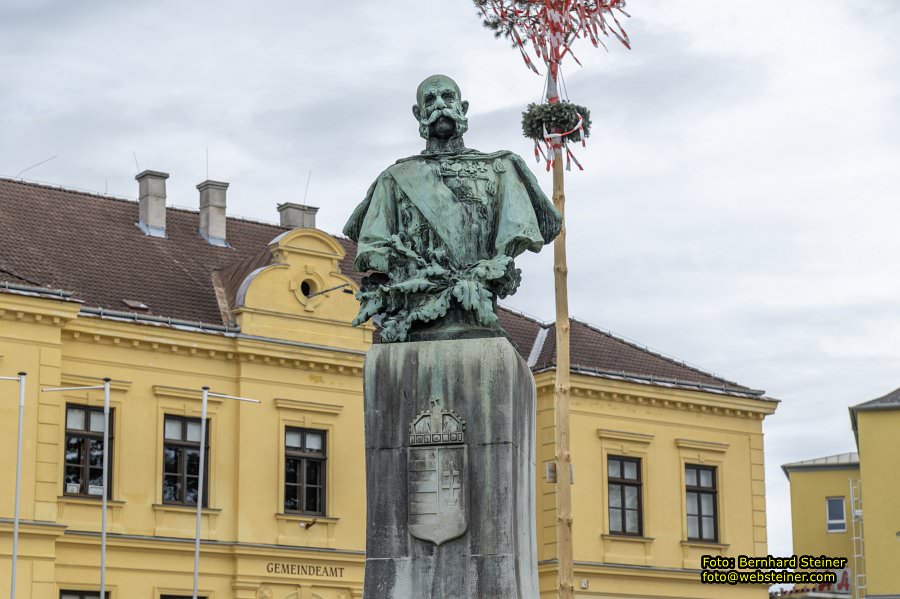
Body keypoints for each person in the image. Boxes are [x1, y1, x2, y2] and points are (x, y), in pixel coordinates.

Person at [344, 74, 561, 342]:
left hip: (479, 314)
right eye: (430, 99)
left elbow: (517, 234)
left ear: (463, 107)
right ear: (418, 113)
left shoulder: (501, 170)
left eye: (447, 97)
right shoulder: (395, 179)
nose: (439, 105)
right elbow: (374, 247)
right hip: (416, 318)